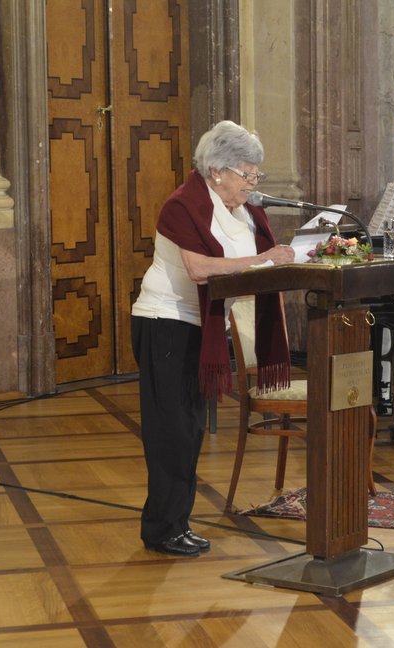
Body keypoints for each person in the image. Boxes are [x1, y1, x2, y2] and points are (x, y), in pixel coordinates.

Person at [131, 120, 295, 557]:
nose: (253, 182)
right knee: (172, 431)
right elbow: (200, 270)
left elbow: (247, 265)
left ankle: (175, 523)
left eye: (256, 173)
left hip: (204, 326)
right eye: (248, 172)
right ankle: (161, 529)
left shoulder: (244, 210)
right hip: (166, 322)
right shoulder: (182, 206)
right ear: (218, 169)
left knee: (191, 429)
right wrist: (264, 258)